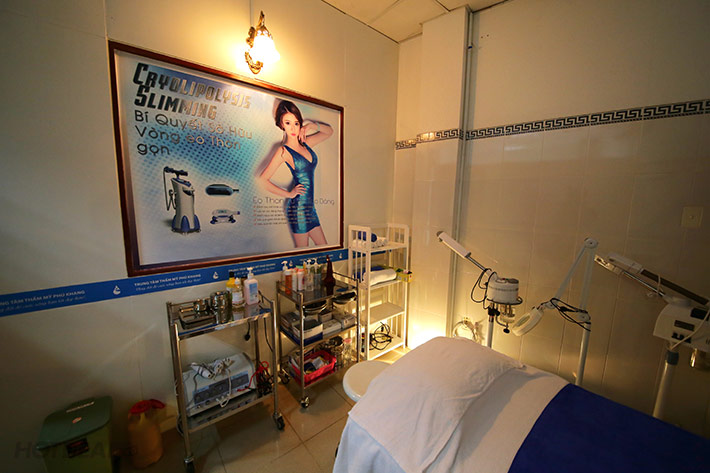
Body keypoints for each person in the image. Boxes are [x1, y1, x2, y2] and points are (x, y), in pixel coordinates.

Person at [258, 100, 333, 247]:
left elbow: (329, 132)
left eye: (296, 123)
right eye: (288, 123)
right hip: (298, 209)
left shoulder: (306, 143)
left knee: (325, 250)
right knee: (302, 254)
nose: (293, 128)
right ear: (281, 125)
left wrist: (311, 126)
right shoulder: (283, 151)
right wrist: (289, 194)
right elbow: (263, 180)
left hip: (310, 208)